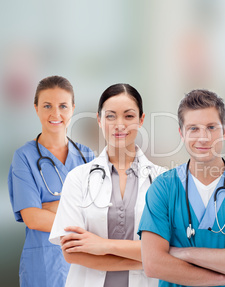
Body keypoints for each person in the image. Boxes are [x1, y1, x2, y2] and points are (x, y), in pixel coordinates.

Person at [138, 89, 225, 286]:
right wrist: (223, 276)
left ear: (224, 131)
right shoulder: (163, 188)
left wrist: (183, 253)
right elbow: (153, 264)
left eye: (211, 127)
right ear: (181, 133)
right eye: (193, 129)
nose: (203, 137)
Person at [49, 84, 165, 287]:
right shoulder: (78, 178)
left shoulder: (163, 180)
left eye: (129, 116)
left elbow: (169, 249)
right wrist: (147, 261)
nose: (119, 125)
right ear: (99, 120)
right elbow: (72, 253)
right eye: (111, 116)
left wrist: (102, 245)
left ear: (141, 120)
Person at [8, 75, 95, 287]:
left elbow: (98, 215)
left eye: (63, 106)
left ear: (73, 108)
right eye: (47, 105)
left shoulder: (88, 157)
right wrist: (77, 213)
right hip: (43, 266)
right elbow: (33, 218)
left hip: (85, 264)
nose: (55, 113)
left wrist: (51, 208)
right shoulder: (24, 158)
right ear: (36, 108)